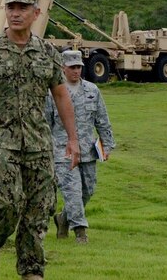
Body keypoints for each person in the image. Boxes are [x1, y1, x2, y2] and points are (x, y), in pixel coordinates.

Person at [0, 0, 79, 280]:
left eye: (23, 8)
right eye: (11, 7)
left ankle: (31, 269)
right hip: (1, 140)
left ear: (35, 13)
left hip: (38, 142)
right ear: (5, 11)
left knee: (40, 206)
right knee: (6, 201)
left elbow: (61, 95)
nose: (16, 14)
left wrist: (72, 138)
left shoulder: (47, 53)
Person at [46, 50, 115, 244]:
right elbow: (45, 123)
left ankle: (63, 218)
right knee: (72, 191)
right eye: (72, 67)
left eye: (79, 67)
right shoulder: (52, 93)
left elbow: (102, 120)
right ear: (63, 68)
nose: (76, 71)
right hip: (63, 150)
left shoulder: (92, 90)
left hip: (87, 150)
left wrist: (107, 144)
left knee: (88, 190)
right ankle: (80, 231)